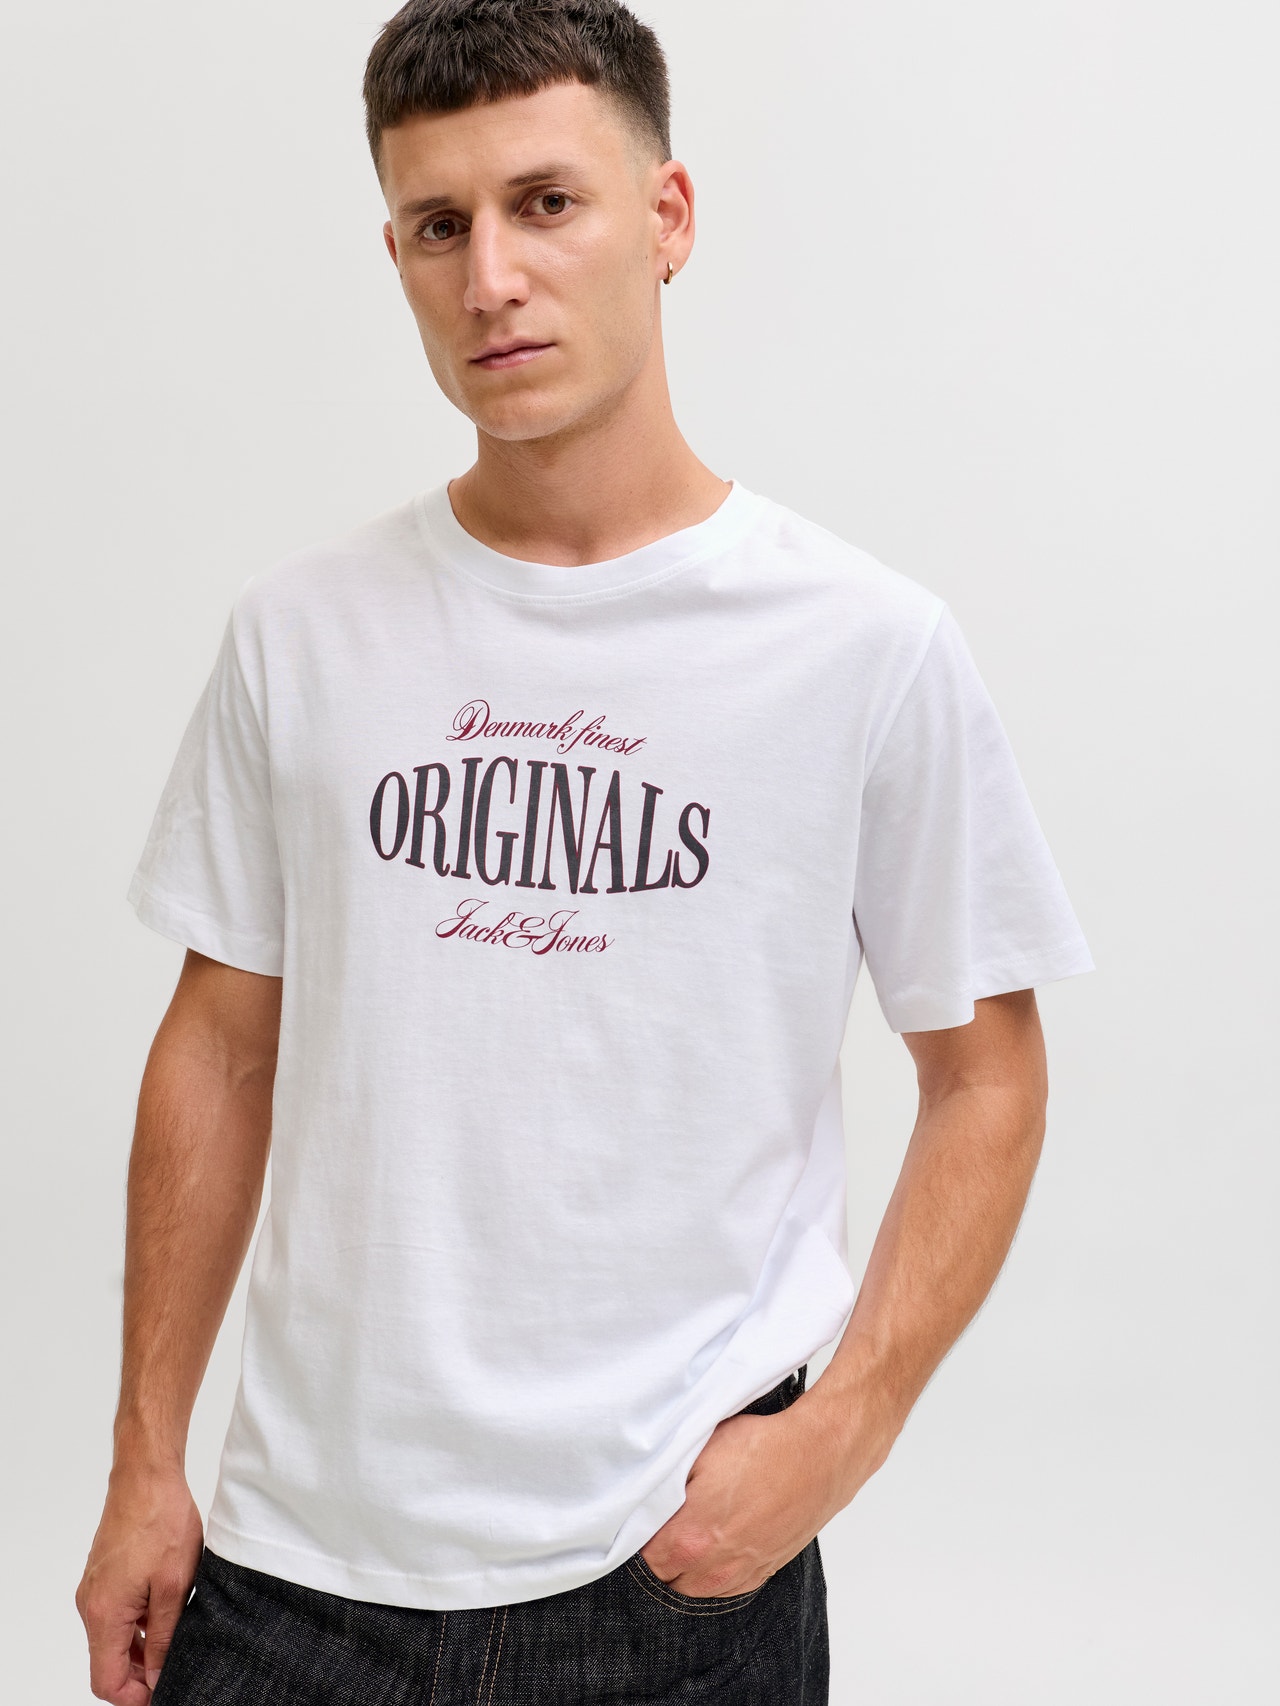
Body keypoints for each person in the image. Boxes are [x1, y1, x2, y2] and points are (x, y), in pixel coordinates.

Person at [76, 2, 1095, 1701]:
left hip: (670, 1571)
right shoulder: (300, 635)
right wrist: (142, 1458)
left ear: (667, 216)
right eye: (438, 225)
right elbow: (219, 1047)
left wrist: (840, 1433)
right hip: (289, 1567)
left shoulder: (862, 647)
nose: (492, 279)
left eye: (546, 203)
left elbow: (987, 1074)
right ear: (397, 256)